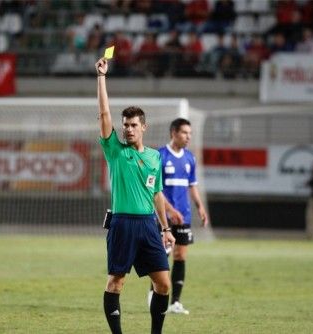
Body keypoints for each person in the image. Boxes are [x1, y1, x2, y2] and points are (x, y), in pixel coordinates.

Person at [96, 57, 176, 334]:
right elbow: (104, 115)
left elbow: (156, 194)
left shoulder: (155, 157)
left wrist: (165, 228)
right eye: (125, 125)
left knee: (163, 284)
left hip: (148, 226)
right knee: (116, 282)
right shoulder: (116, 151)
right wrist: (102, 78)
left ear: (144, 127)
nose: (128, 129)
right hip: (122, 223)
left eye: (133, 125)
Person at [157, 118, 208, 315]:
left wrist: (200, 207)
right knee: (162, 258)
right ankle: (155, 296)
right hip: (165, 216)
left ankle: (175, 303)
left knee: (180, 255)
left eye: (190, 133)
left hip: (184, 215)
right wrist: (169, 210)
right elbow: (155, 190)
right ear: (173, 133)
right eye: (185, 133)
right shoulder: (160, 156)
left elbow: (192, 186)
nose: (188, 137)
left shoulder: (190, 158)